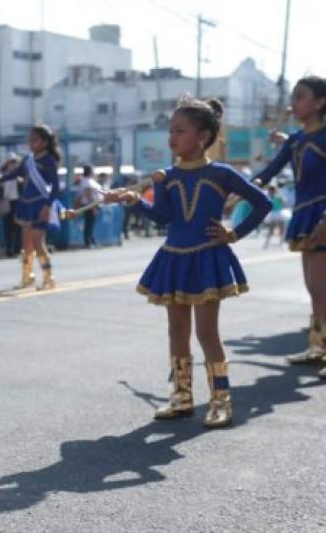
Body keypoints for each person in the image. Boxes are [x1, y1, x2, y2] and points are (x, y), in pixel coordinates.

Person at [104, 97, 271, 428]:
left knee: (207, 332)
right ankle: (181, 396)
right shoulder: (166, 177)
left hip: (207, 259)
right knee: (176, 330)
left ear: (203, 136)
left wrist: (234, 233)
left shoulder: (221, 173)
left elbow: (262, 203)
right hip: (174, 258)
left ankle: (221, 399)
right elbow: (164, 217)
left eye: (180, 130)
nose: (172, 138)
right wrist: (134, 200)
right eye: (170, 130)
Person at [255, 76, 326, 379]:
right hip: (305, 217)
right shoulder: (296, 140)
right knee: (313, 289)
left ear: (319, 103)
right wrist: (237, 187)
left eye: (301, 96)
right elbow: (268, 172)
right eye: (294, 96)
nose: (294, 101)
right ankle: (319, 345)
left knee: (318, 289)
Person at [0, 124, 61, 290]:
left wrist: (48, 206)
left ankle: (49, 278)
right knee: (26, 244)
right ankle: (27, 276)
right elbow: (14, 174)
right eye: (30, 140)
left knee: (38, 242)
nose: (31, 143)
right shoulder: (28, 160)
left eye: (34, 140)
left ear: (44, 142)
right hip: (26, 205)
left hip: (40, 205)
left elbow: (56, 186)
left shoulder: (49, 160)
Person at [0, 156, 22, 257]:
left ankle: (18, 248)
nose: (12, 166)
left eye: (15, 164)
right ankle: (9, 249)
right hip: (7, 202)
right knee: (8, 227)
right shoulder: (3, 176)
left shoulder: (20, 177)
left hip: (18, 203)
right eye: (11, 164)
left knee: (18, 227)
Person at [76, 166, 103, 249]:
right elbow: (89, 195)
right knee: (89, 224)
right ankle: (88, 242)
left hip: (92, 205)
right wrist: (93, 207)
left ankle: (92, 241)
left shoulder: (88, 181)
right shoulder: (87, 181)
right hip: (90, 205)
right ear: (90, 172)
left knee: (91, 225)